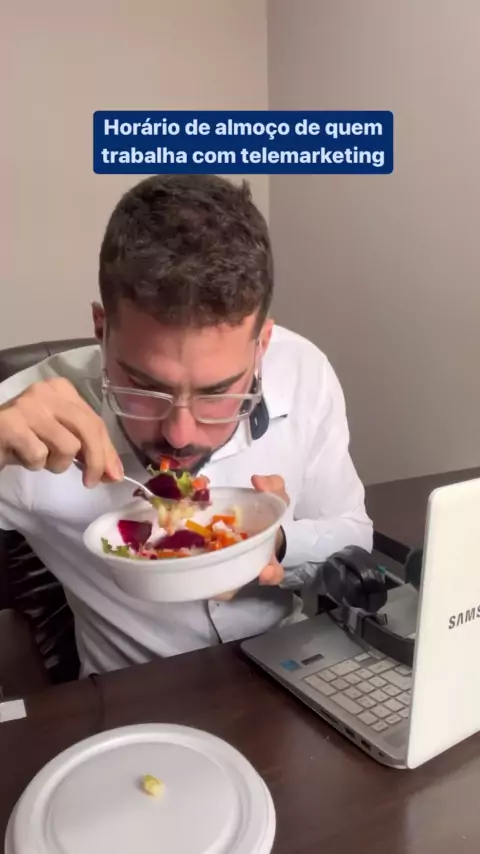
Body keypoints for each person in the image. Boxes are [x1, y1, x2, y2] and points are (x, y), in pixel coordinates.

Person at [0, 174, 372, 676]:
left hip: (292, 678)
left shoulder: (304, 372)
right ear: (101, 330)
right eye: (144, 386)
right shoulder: (23, 420)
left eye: (218, 393)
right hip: (132, 697)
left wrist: (275, 542)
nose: (179, 434)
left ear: (262, 345)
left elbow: (354, 538)